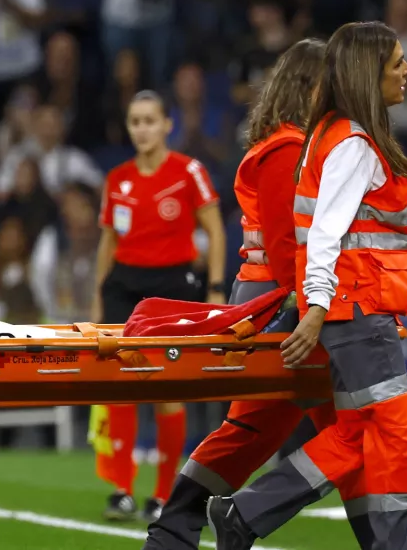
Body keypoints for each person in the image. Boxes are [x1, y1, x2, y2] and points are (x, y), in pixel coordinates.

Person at [205, 21, 407, 550]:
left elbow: (384, 195)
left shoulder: (339, 137)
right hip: (358, 312)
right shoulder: (351, 144)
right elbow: (324, 235)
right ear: (367, 72)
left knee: (358, 435)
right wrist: (315, 308)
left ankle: (245, 514)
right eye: (397, 62)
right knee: (402, 435)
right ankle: (393, 543)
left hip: (355, 312)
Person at [141, 38, 334, 550]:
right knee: (353, 432)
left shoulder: (290, 146)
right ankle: (236, 515)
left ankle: (175, 530)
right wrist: (317, 308)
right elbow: (286, 246)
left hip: (276, 300)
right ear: (311, 87)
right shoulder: (288, 149)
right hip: (282, 304)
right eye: (331, 86)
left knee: (253, 434)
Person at [90, 89, 226, 522]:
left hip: (174, 284)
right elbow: (108, 242)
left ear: (168, 125)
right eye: (135, 122)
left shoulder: (189, 172)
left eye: (150, 120)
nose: (142, 129)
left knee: (168, 388)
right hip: (124, 285)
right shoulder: (117, 179)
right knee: (121, 386)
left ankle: (164, 493)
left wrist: (217, 289)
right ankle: (122, 489)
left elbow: (216, 231)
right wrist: (98, 297)